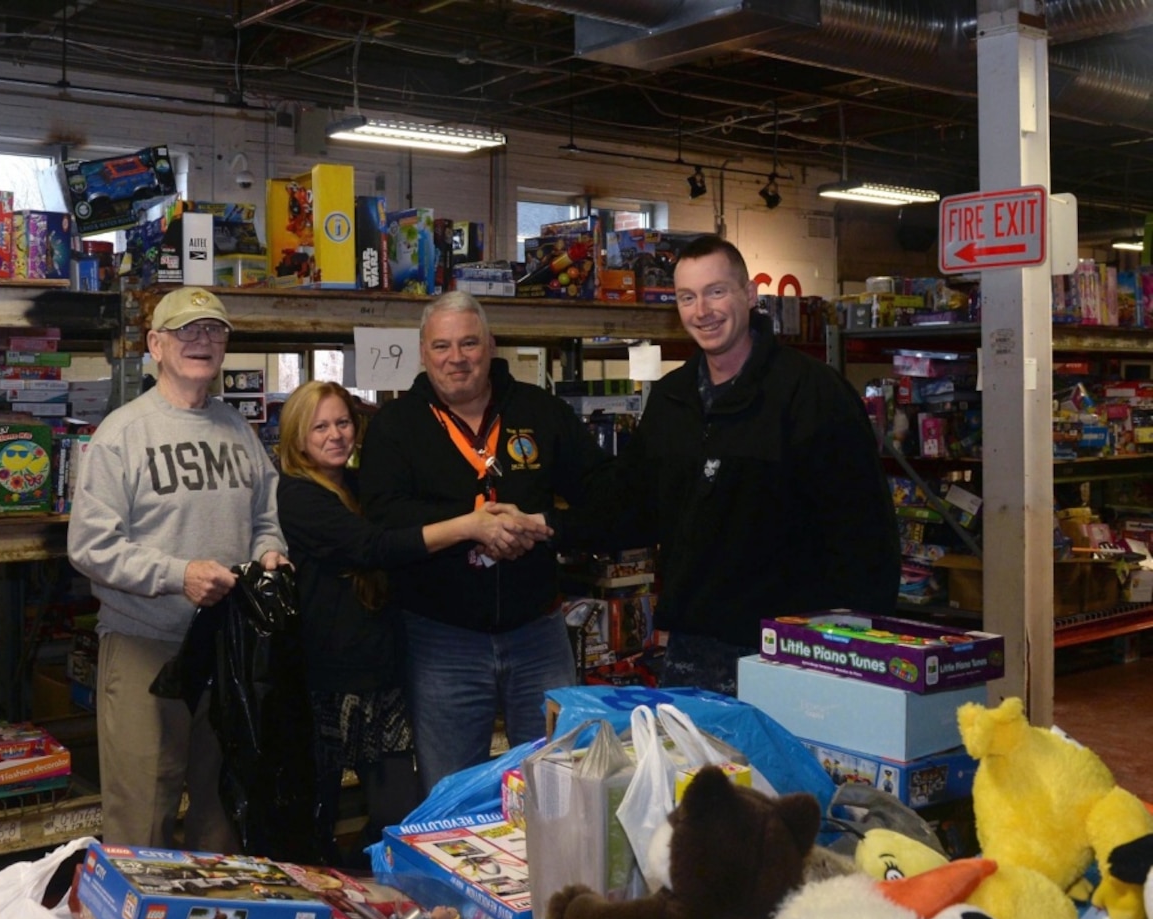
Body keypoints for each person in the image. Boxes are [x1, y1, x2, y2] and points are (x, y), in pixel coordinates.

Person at [584, 234, 900, 694]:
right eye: (687, 298)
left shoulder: (812, 392)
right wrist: (540, 522)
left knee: (786, 768)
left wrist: (855, 646)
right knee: (698, 768)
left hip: (797, 649)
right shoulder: (671, 399)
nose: (702, 311)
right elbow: (631, 505)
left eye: (716, 292)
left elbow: (865, 531)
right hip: (695, 649)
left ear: (749, 295)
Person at [275, 379, 548, 863]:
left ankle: (371, 894)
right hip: (327, 686)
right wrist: (469, 525)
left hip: (381, 681)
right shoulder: (299, 495)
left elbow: (398, 527)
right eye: (320, 427)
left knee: (399, 815)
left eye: (342, 422)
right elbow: (374, 547)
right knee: (313, 822)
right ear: (297, 438)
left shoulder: (359, 487)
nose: (335, 435)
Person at [357, 290, 616, 791]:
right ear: (423, 352)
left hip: (538, 634)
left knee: (559, 784)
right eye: (442, 347)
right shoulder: (396, 426)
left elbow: (606, 500)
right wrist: (472, 524)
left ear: (491, 345)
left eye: (469, 343)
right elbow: (384, 522)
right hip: (441, 642)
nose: (457, 358)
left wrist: (543, 527)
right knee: (454, 793)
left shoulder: (541, 412)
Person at [68, 286, 290, 851]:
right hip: (146, 648)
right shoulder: (122, 433)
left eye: (214, 331)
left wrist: (270, 551)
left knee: (222, 812)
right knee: (143, 818)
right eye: (187, 332)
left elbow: (266, 516)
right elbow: (90, 546)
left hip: (226, 651)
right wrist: (177, 574)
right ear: (156, 346)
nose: (203, 341)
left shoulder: (239, 430)